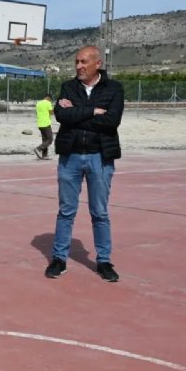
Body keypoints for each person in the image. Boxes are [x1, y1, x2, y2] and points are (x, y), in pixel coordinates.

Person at [45, 45, 124, 282]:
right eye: (77, 62)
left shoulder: (114, 88)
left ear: (97, 64)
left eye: (83, 62)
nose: (78, 66)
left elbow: (112, 121)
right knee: (66, 211)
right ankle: (59, 258)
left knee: (99, 212)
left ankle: (104, 261)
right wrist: (93, 111)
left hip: (100, 157)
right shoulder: (68, 87)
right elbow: (61, 116)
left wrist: (79, 113)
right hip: (70, 157)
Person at [34, 93, 54, 159]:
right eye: (50, 100)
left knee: (45, 140)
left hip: (40, 124)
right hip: (46, 123)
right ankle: (38, 148)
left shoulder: (38, 103)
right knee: (50, 139)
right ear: (48, 98)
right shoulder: (48, 103)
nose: (50, 101)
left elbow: (37, 113)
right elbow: (52, 112)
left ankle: (44, 155)